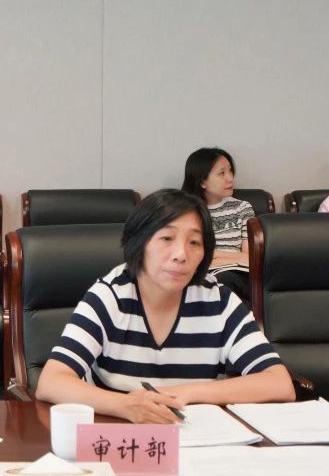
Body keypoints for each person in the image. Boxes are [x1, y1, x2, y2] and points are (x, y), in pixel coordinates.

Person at [35, 189, 295, 424]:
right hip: (118, 437)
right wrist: (125, 405)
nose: (181, 254)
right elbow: (51, 381)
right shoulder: (110, 296)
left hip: (195, 439)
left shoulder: (218, 300)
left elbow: (279, 383)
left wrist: (184, 393)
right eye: (167, 238)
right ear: (140, 243)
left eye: (194, 242)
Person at [181, 147, 253, 301]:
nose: (230, 178)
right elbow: (193, 256)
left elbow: (249, 257)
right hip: (201, 274)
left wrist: (213, 256)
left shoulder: (242, 208)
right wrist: (236, 258)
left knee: (225, 281)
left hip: (238, 275)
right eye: (222, 173)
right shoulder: (188, 212)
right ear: (202, 182)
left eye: (230, 171)